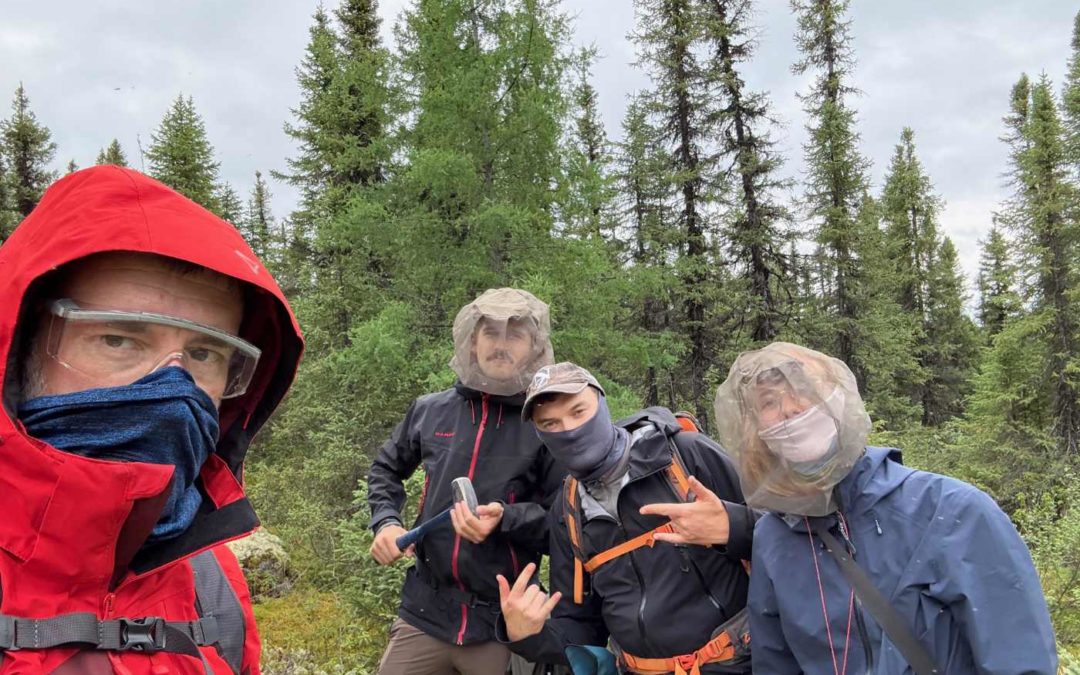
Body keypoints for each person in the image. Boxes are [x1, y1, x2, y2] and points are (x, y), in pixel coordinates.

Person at [0, 166, 304, 673]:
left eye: (205, 354)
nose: (173, 388)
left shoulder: (212, 584)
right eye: (118, 339)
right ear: (19, 352)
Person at [707, 341, 1058, 674]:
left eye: (803, 388)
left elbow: (1018, 658)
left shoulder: (951, 511)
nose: (790, 408)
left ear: (839, 396)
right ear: (755, 429)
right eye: (769, 402)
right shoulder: (774, 537)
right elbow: (775, 663)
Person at [498, 362, 756, 675]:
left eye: (579, 412)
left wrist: (732, 526)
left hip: (735, 663)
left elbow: (783, 534)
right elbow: (581, 625)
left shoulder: (686, 457)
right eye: (550, 424)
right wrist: (527, 635)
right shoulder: (568, 511)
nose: (569, 430)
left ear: (602, 404)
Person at [367, 288, 564, 675]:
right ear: (472, 341)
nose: (501, 345)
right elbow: (385, 469)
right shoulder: (431, 410)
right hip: (425, 611)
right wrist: (386, 522)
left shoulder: (544, 424)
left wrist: (506, 519)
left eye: (515, 335)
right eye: (490, 333)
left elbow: (564, 523)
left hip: (501, 624)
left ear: (534, 347)